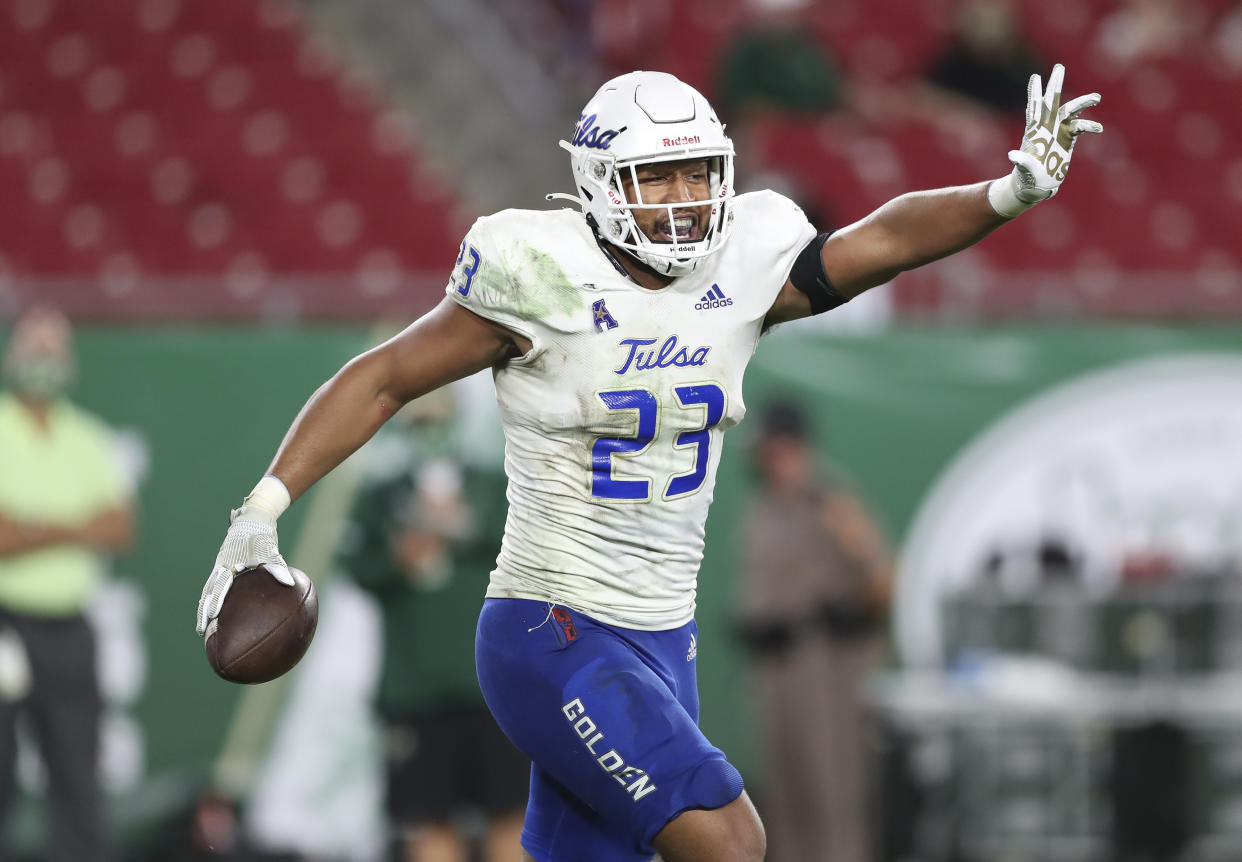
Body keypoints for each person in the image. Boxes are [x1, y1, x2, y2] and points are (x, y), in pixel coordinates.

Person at [196, 65, 1102, 862]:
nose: (681, 197)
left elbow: (884, 239)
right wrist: (264, 507)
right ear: (598, 185)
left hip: (666, 637)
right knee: (729, 835)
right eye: (654, 176)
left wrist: (1004, 194)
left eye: (697, 173)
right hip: (551, 629)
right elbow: (385, 378)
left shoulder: (744, 263)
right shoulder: (538, 276)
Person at [338, 388, 528, 862]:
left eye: (437, 419)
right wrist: (399, 556)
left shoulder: (493, 488)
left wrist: (464, 528)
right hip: (415, 688)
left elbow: (532, 557)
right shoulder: (382, 498)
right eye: (419, 422)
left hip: (493, 685)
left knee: (513, 812)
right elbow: (357, 566)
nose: (431, 433)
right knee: (427, 818)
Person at [0, 306, 135, 862]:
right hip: (5, 620)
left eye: (53, 350)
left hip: (69, 625)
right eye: (34, 349)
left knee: (78, 768)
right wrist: (73, 527)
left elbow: (119, 527)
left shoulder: (89, 436)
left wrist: (31, 525)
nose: (43, 362)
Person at [735, 402, 891, 862]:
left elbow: (881, 580)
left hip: (825, 669)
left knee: (831, 795)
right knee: (783, 797)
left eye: (772, 447)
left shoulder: (830, 502)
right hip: (774, 667)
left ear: (792, 446)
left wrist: (849, 614)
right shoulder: (762, 506)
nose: (765, 458)